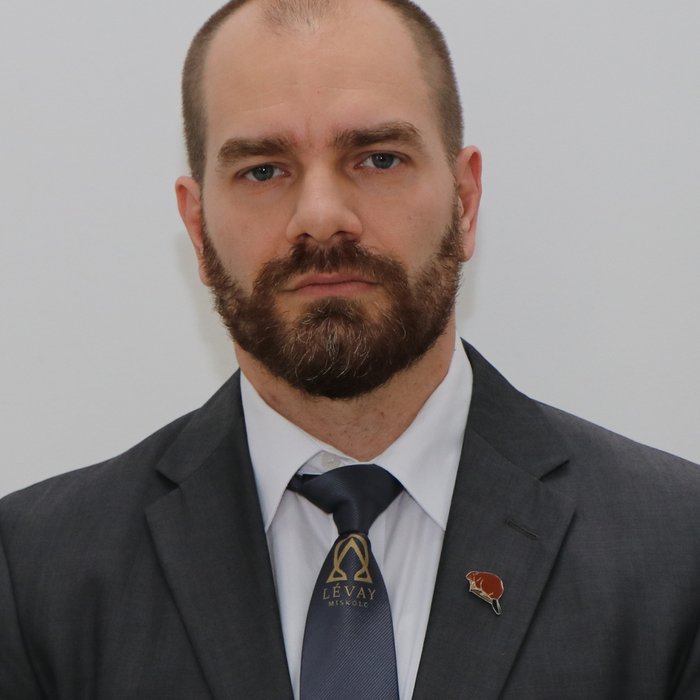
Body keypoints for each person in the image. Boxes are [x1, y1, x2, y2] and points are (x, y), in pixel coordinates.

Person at [1, 0, 699, 697]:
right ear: (197, 226)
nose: (321, 216)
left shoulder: (679, 551)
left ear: (465, 201)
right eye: (263, 170)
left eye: (378, 158)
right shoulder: (34, 574)